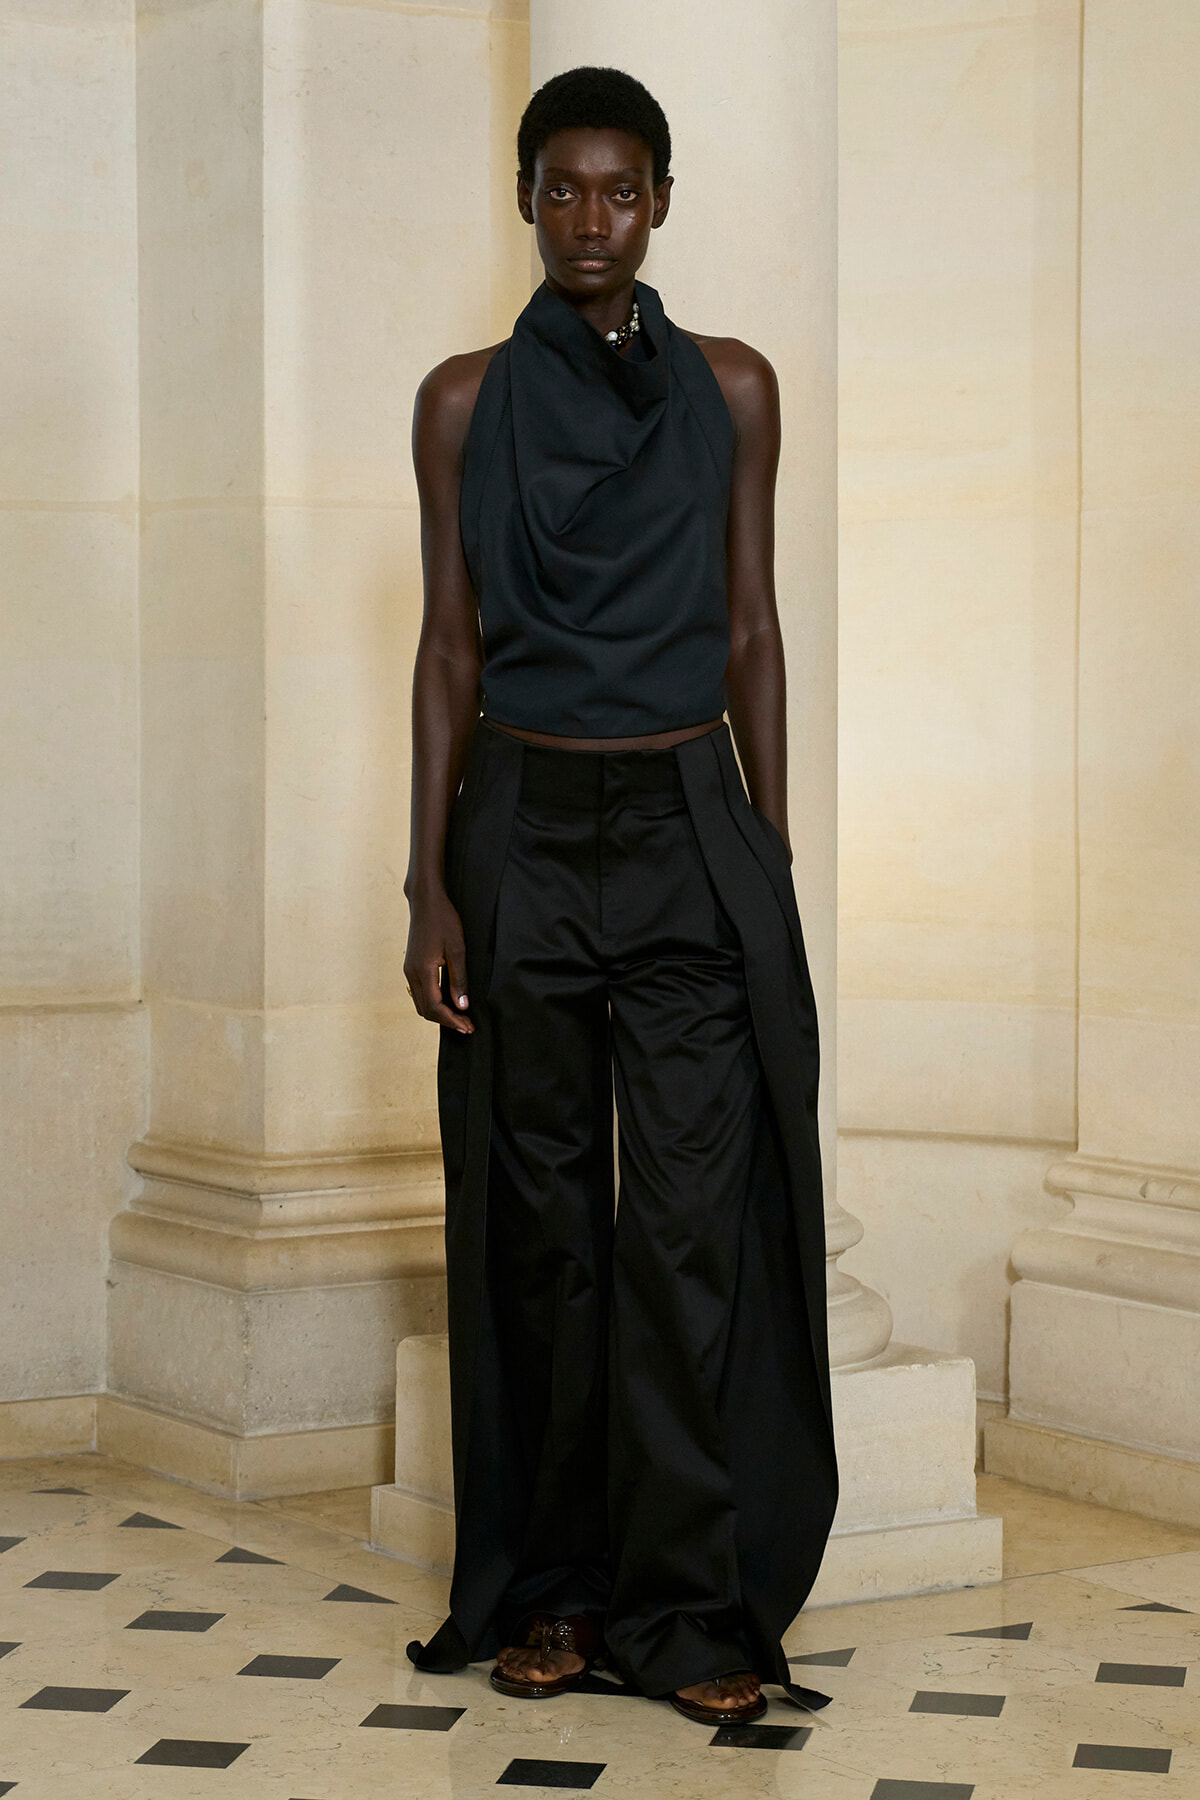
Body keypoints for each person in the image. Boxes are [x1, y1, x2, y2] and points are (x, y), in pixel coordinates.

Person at [403, 65, 838, 1727]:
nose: (593, 218)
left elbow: (753, 632)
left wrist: (767, 859)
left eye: (623, 190)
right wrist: (428, 882)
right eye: (564, 189)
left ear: (664, 202)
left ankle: (692, 1609)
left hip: (684, 822)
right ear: (525, 201)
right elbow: (448, 648)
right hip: (517, 827)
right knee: (543, 1239)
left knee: (683, 1236)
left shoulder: (736, 387)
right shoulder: (457, 402)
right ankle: (559, 1596)